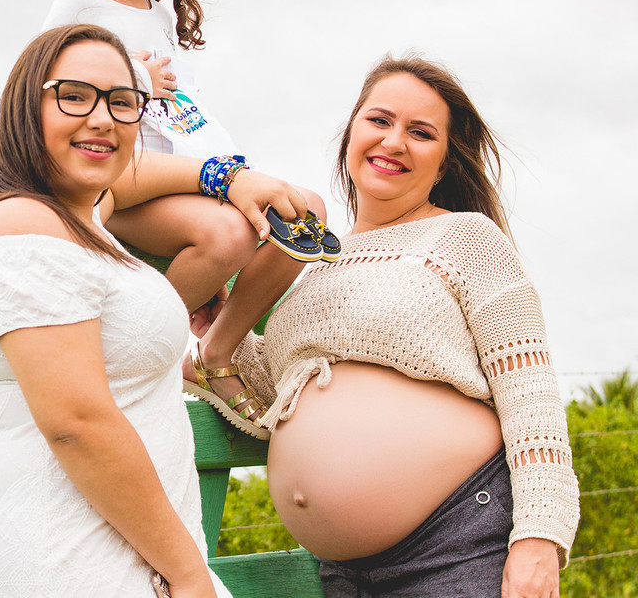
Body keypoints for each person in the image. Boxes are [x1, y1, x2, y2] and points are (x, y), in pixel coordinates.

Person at [0, 24, 306, 597]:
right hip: (65, 567)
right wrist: (191, 576)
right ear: (25, 110)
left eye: (123, 102)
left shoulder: (85, 219)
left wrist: (230, 176)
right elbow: (77, 425)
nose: (102, 118)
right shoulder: (23, 225)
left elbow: (128, 174)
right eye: (73, 95)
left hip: (132, 560)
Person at [219, 54, 580, 597]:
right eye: (380, 120)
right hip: (348, 573)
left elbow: (529, 393)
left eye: (421, 132)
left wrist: (540, 538)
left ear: (444, 163)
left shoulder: (468, 240)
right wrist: (215, 325)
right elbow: (291, 393)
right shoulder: (315, 264)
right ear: (351, 134)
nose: (393, 142)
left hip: (456, 545)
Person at [41, 0, 335, 438]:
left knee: (305, 211)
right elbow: (51, 90)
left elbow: (184, 115)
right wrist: (130, 82)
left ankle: (214, 352)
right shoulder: (77, 6)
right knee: (226, 233)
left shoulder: (163, 12)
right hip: (115, 179)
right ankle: (139, 350)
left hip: (176, 168)